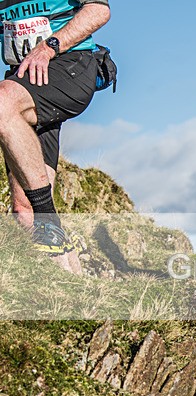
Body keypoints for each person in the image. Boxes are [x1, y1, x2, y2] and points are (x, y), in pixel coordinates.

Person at [0, 0, 111, 273]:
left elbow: (99, 9)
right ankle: (71, 286)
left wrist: (48, 47)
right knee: (23, 210)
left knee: (2, 102)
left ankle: (46, 216)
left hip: (69, 65)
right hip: (25, 77)